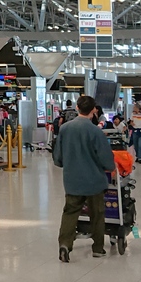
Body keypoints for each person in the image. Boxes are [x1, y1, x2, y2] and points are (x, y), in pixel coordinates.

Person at [54, 95, 115, 262]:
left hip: (72, 180)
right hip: (94, 180)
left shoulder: (65, 129)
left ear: (77, 108)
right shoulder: (95, 131)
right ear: (94, 110)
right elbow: (106, 158)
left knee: (70, 212)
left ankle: (65, 244)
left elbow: (58, 157)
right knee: (97, 214)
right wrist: (110, 167)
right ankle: (98, 248)